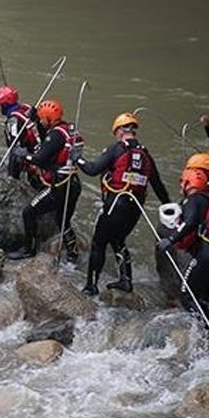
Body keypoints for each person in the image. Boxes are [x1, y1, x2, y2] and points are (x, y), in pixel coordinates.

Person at [77, 112, 170, 295]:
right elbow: (158, 185)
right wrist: (169, 206)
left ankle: (91, 286)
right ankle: (126, 280)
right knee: (118, 240)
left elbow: (93, 170)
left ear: (119, 131)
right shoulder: (145, 154)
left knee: (99, 243)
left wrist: (77, 159)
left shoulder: (117, 148)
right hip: (136, 206)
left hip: (116, 202)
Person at [156, 168, 209, 353]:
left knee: (187, 295)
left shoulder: (194, 199)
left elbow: (189, 222)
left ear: (189, 183)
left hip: (206, 254)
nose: (181, 185)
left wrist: (171, 240)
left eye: (183, 182)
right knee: (208, 300)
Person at [6, 99, 82, 265]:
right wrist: (34, 119)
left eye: (42, 119)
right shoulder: (69, 129)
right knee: (63, 220)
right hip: (73, 183)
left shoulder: (55, 135)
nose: (40, 121)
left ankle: (29, 249)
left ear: (48, 118)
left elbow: (40, 158)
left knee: (29, 212)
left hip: (60, 186)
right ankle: (73, 255)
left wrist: (24, 154)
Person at [0, 84, 44, 189]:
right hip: (41, 149)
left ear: (4, 105)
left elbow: (14, 145)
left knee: (14, 157)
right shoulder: (27, 108)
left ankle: (13, 183)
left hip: (30, 154)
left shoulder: (13, 120)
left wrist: (14, 170)